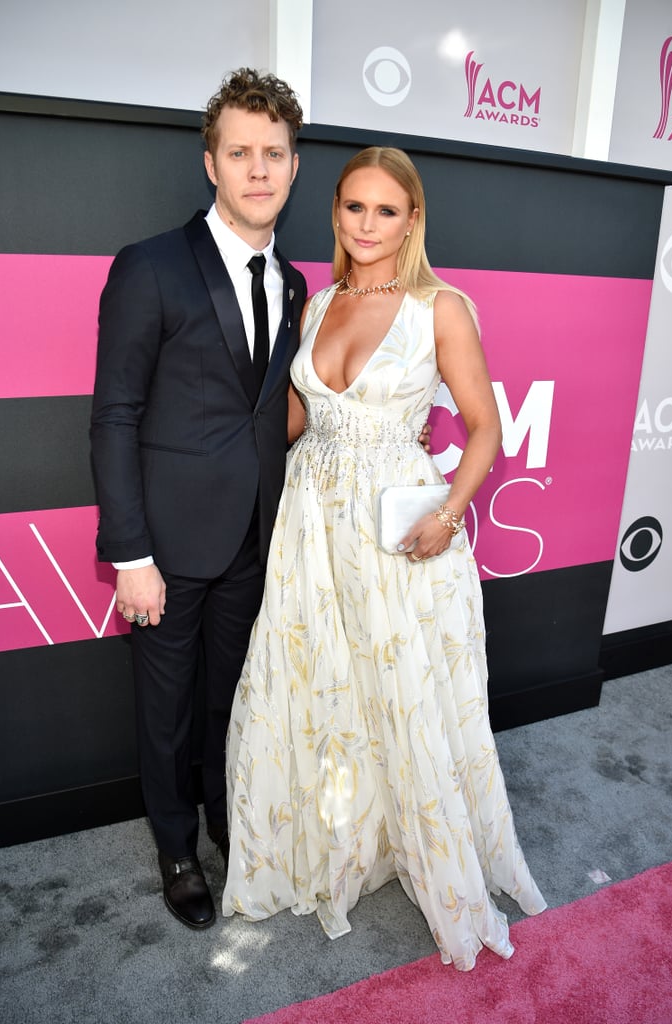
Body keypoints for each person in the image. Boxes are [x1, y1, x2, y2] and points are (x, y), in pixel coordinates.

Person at [222, 146, 547, 970]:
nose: (367, 225)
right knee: (320, 683)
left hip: (397, 526)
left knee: (401, 696)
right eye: (354, 208)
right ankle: (342, 841)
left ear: (412, 219)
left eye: (386, 210)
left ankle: (425, 851)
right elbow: (290, 424)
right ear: (335, 213)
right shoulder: (316, 304)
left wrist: (449, 511)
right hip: (311, 525)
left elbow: (484, 428)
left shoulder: (439, 308)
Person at [90, 68, 307, 930]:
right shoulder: (149, 267)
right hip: (168, 550)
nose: (259, 170)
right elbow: (114, 416)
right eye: (241, 153)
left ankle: (228, 822)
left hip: (256, 537)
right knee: (168, 710)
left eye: (275, 155)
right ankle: (177, 849)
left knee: (234, 699)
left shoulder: (292, 284)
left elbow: (273, 411)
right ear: (210, 164)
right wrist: (131, 555)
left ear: (294, 168)